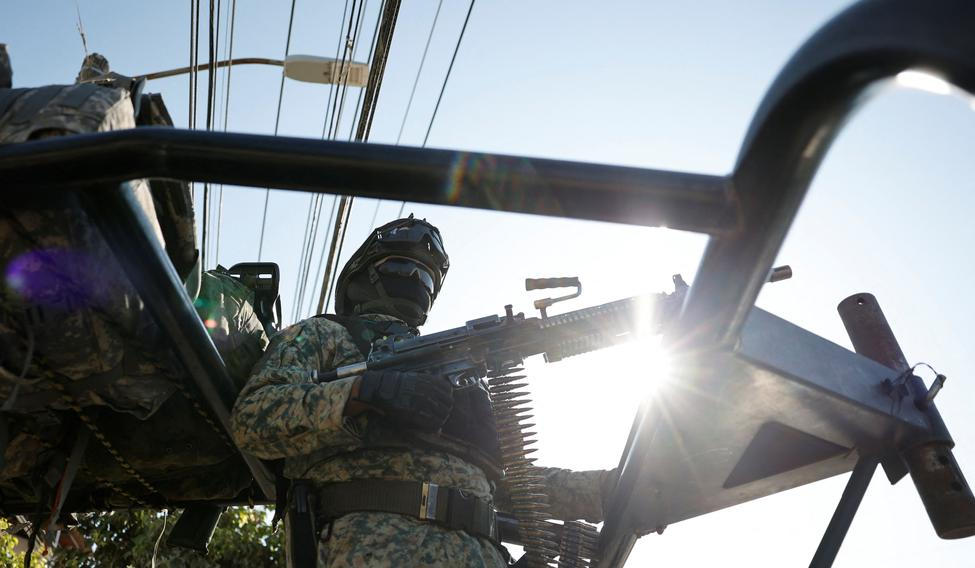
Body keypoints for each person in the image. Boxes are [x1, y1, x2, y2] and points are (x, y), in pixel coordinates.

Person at [231, 216, 616, 567]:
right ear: (359, 280)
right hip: (374, 548)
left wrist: (609, 491)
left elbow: (509, 483)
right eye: (401, 268)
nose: (415, 282)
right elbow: (252, 419)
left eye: (426, 279)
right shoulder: (324, 334)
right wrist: (365, 392)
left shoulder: (457, 369)